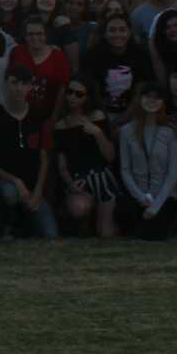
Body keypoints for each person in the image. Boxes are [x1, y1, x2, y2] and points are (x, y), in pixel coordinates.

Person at [0, 63, 57, 239]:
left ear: (31, 86)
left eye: (24, 83)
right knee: (9, 193)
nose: (19, 88)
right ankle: (5, 223)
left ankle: (24, 222)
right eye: (14, 83)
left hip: (33, 188)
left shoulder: (39, 116)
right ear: (5, 84)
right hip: (4, 184)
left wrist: (38, 191)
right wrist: (15, 181)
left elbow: (44, 156)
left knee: (50, 234)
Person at [51, 76, 119, 239]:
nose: (72, 97)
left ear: (87, 97)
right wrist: (71, 184)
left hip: (101, 179)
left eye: (79, 94)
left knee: (106, 234)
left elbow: (110, 156)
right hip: (77, 180)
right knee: (78, 207)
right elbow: (62, 165)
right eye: (70, 92)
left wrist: (98, 133)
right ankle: (85, 222)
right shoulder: (60, 125)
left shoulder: (97, 117)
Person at [116, 84, 177, 241]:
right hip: (138, 195)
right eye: (148, 96)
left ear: (163, 102)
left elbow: (173, 174)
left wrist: (155, 205)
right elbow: (125, 169)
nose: (152, 101)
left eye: (157, 97)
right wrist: (140, 197)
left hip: (163, 196)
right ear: (139, 99)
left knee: (155, 232)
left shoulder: (171, 132)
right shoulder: (126, 131)